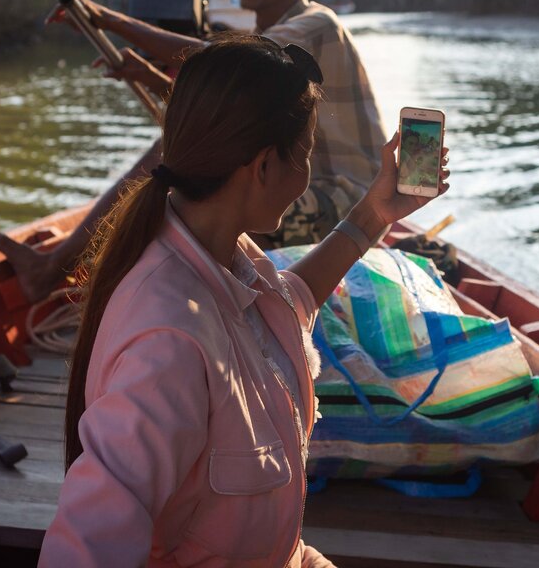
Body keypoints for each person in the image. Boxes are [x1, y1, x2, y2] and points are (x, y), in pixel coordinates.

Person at [38, 35, 449, 567]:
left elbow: (287, 305)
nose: (305, 176)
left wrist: (375, 214)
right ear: (261, 167)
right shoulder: (168, 341)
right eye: (305, 155)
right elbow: (86, 547)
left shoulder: (220, 253)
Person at [0, 0, 387, 303]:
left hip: (342, 198)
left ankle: (62, 272)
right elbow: (222, 123)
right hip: (290, 180)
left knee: (175, 165)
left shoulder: (317, 24)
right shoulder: (267, 37)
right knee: (181, 160)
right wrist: (148, 77)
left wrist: (109, 19)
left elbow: (214, 59)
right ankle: (88, 277)